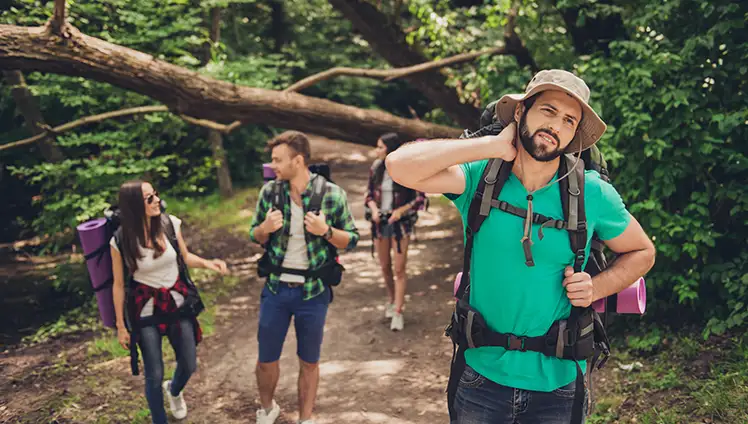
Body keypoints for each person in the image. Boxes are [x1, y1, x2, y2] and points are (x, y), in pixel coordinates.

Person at [385, 69, 656, 423]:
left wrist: (596, 286)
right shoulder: (479, 178)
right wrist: (492, 145)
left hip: (557, 385)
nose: (556, 125)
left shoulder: (592, 193)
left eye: (568, 120)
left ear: (574, 134)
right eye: (547, 111)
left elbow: (643, 251)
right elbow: (398, 165)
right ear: (519, 113)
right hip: (479, 378)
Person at [249, 131, 359, 424]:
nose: (272, 166)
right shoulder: (270, 193)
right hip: (275, 289)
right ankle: (268, 407)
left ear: (298, 161)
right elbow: (254, 235)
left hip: (313, 292)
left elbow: (352, 240)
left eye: (277, 160)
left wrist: (325, 231)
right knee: (265, 359)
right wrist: (265, 228)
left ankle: (306, 418)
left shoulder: (332, 195)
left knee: (309, 361)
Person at [111, 180, 228, 424]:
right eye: (149, 199)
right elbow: (119, 285)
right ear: (134, 205)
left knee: (189, 363)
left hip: (177, 303)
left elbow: (184, 257)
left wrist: (208, 263)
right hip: (145, 310)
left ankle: (174, 390)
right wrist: (121, 326)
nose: (157, 201)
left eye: (156, 195)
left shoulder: (169, 224)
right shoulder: (120, 240)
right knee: (153, 374)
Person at [365, 132, 426, 331]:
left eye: (380, 147)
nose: (377, 151)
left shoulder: (406, 169)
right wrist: (374, 210)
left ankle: (398, 311)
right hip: (380, 223)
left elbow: (420, 199)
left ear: (390, 149)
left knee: (399, 268)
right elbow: (369, 195)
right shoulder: (376, 168)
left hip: (401, 225)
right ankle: (392, 300)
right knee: (384, 266)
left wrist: (400, 212)